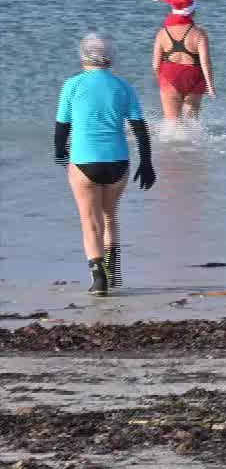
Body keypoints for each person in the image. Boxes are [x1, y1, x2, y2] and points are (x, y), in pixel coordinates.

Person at [56, 34, 156, 296]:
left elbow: (62, 126)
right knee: (110, 215)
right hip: (118, 162)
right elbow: (139, 127)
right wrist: (146, 163)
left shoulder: (72, 84)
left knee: (90, 221)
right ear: (111, 59)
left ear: (82, 57)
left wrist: (59, 153)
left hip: (84, 161)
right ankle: (115, 273)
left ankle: (99, 278)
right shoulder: (123, 86)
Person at [150, 0, 215, 122]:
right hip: (194, 77)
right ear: (192, 12)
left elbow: (156, 65)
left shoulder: (162, 33)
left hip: (170, 75)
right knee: (191, 124)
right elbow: (206, 63)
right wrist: (210, 85)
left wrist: (162, 80)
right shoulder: (199, 33)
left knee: (172, 123)